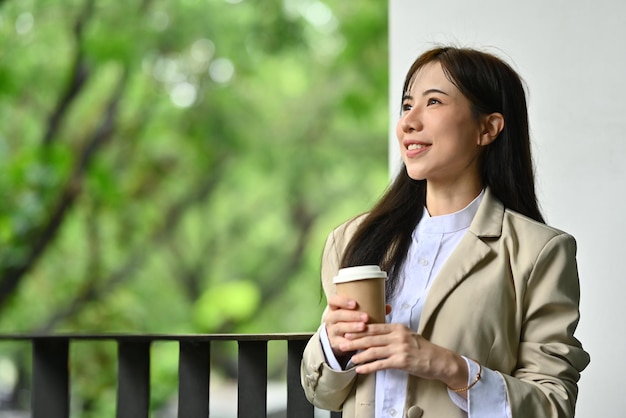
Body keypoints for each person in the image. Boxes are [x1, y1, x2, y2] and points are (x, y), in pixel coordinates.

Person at [300, 46, 590, 418]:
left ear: (488, 128)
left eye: (433, 102)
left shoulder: (540, 253)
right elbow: (323, 394)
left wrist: (449, 367)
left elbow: (553, 405)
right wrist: (332, 346)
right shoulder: (352, 239)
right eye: (407, 106)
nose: (408, 122)